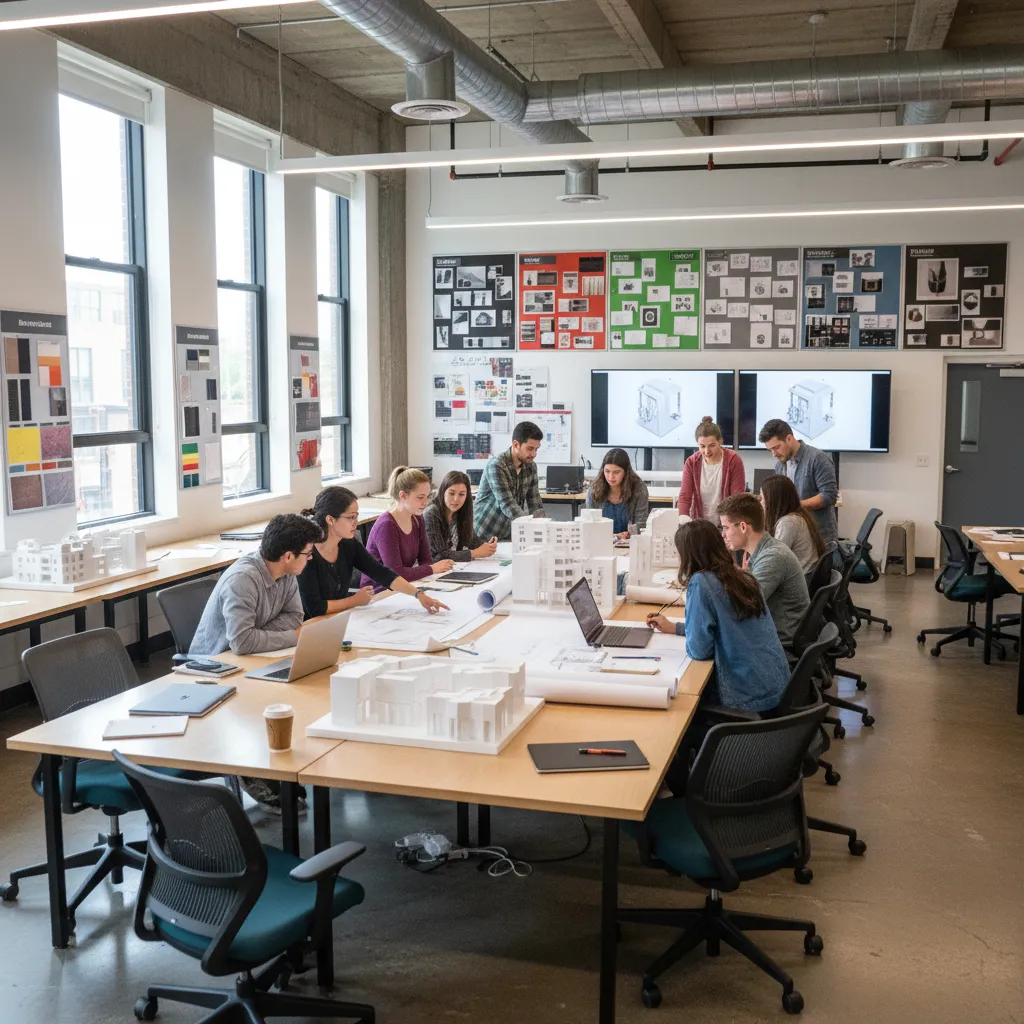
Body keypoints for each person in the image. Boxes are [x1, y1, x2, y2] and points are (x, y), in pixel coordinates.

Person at [646, 518, 789, 712]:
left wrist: (691, 626)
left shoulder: (701, 583)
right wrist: (677, 628)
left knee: (678, 702)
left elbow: (699, 650)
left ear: (688, 555)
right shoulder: (743, 576)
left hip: (747, 699)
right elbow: (731, 627)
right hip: (776, 686)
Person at [298, 485, 450, 619]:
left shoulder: (348, 544)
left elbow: (381, 572)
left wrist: (419, 595)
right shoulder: (307, 554)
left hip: (338, 618)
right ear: (330, 520)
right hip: (310, 625)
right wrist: (353, 601)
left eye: (357, 516)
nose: (355, 522)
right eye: (351, 517)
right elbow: (314, 608)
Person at [190, 513, 321, 657]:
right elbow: (243, 642)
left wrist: (257, 635)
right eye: (308, 553)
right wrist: (294, 637)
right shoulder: (242, 580)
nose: (310, 558)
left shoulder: (287, 572)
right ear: (288, 556)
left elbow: (294, 617)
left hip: (252, 655)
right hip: (214, 662)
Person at [716, 492, 810, 646]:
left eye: (726, 528)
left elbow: (740, 607)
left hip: (780, 646)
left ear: (743, 527)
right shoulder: (764, 551)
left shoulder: (773, 557)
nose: (723, 534)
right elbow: (741, 588)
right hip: (772, 634)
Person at [361, 467, 455, 589]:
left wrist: (430, 570)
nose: (425, 502)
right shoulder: (387, 526)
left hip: (403, 587)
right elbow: (395, 574)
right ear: (403, 496)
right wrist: (431, 569)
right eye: (420, 497)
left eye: (428, 496)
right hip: (379, 592)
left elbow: (425, 560)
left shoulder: (417, 518)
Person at [758, 418, 839, 548]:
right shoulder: (780, 465)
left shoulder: (818, 458)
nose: (774, 454)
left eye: (776, 448)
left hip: (819, 536)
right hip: (794, 533)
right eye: (770, 450)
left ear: (789, 438)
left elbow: (829, 496)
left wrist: (795, 506)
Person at [473, 420, 545, 541]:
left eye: (536, 449)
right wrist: (530, 528)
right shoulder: (497, 465)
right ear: (516, 444)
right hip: (485, 533)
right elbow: (507, 504)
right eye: (530, 448)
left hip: (508, 533)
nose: (534, 454)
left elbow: (535, 502)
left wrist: (544, 528)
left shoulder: (531, 467)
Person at [677, 416, 746, 523]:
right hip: (700, 523)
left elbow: (736, 499)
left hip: (726, 524)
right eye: (702, 446)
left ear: (720, 441)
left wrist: (728, 527)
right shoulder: (691, 462)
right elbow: (685, 496)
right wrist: (683, 518)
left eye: (712, 445)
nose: (707, 451)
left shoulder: (733, 460)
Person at [422, 470, 498, 563]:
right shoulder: (431, 513)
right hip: (430, 571)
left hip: (452, 568)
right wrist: (474, 553)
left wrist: (488, 546)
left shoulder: (461, 512)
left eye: (461, 494)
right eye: (451, 493)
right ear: (443, 491)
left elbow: (472, 540)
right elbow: (439, 555)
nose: (456, 499)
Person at [760, 474, 827, 573]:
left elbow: (773, 561)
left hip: (798, 583)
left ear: (772, 500)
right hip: (806, 578)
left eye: (762, 498)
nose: (760, 503)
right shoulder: (799, 515)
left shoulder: (787, 523)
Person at [584, 448, 650, 540]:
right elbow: (589, 524)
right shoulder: (594, 489)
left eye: (616, 472)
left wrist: (627, 535)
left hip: (630, 544)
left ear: (626, 472)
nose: (611, 477)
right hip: (601, 542)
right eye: (607, 471)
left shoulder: (639, 489)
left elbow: (641, 525)